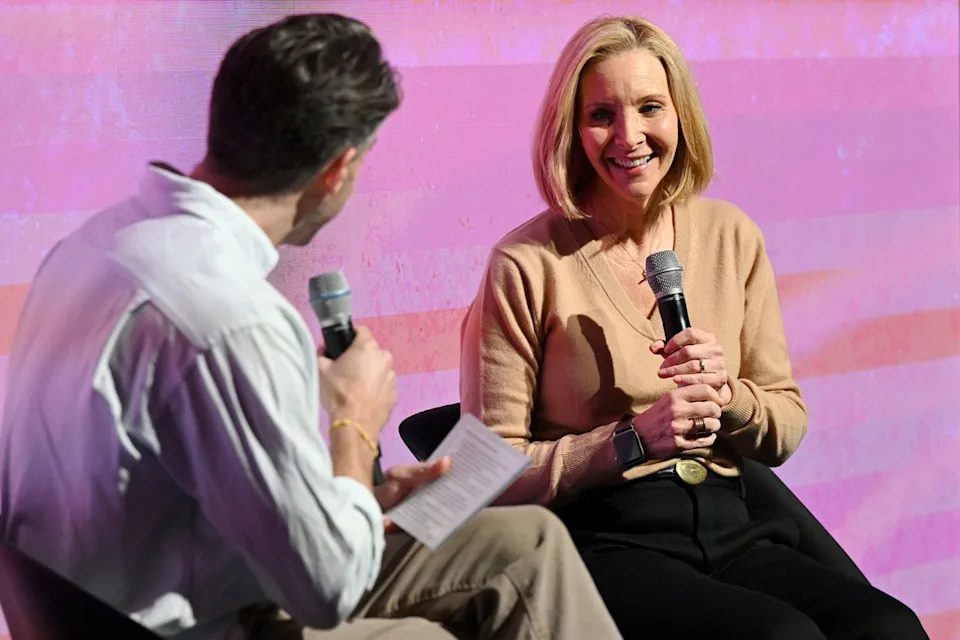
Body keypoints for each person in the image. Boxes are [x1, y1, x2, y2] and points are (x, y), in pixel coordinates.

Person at [0, 14, 622, 640]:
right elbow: (327, 590)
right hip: (193, 619)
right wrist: (353, 427)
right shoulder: (234, 319)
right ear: (337, 169)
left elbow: (165, 473)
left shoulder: (95, 244)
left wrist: (342, 497)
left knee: (528, 543)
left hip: (108, 587)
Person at [460, 14, 928, 640]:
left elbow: (785, 427)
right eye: (601, 114)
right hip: (603, 541)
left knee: (890, 627)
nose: (629, 136)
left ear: (681, 113)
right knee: (779, 636)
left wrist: (729, 396)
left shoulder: (732, 236)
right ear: (571, 128)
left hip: (733, 524)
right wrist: (629, 440)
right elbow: (484, 477)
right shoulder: (524, 265)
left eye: (650, 107)